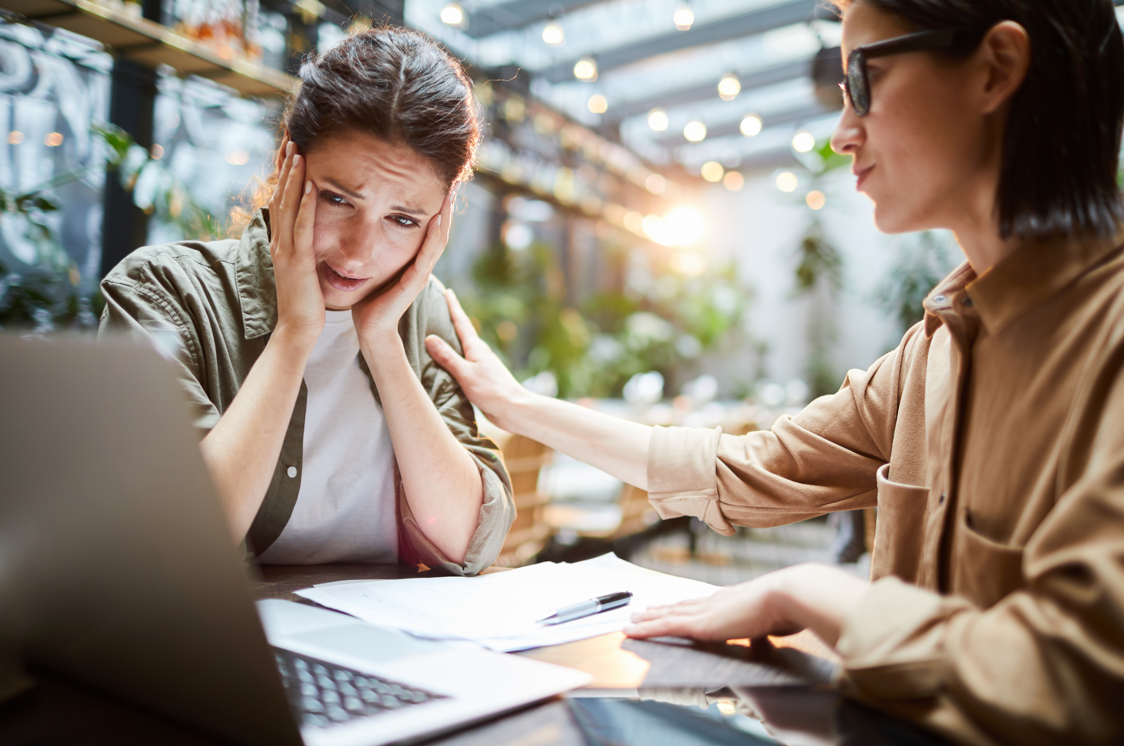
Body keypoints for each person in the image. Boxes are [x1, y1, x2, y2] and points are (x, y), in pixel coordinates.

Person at [425, 0, 1124, 742]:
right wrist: (516, 406)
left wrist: (815, 593)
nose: (841, 132)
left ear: (996, 69)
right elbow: (746, 467)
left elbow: (1076, 679)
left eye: (863, 78)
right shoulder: (937, 348)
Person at [98, 27, 513, 576]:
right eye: (339, 199)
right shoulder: (163, 293)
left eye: (403, 219)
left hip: (379, 654)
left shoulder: (424, 316)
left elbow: (465, 542)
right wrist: (295, 333)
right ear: (286, 164)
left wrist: (383, 342)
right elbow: (183, 539)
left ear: (439, 220)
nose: (359, 254)